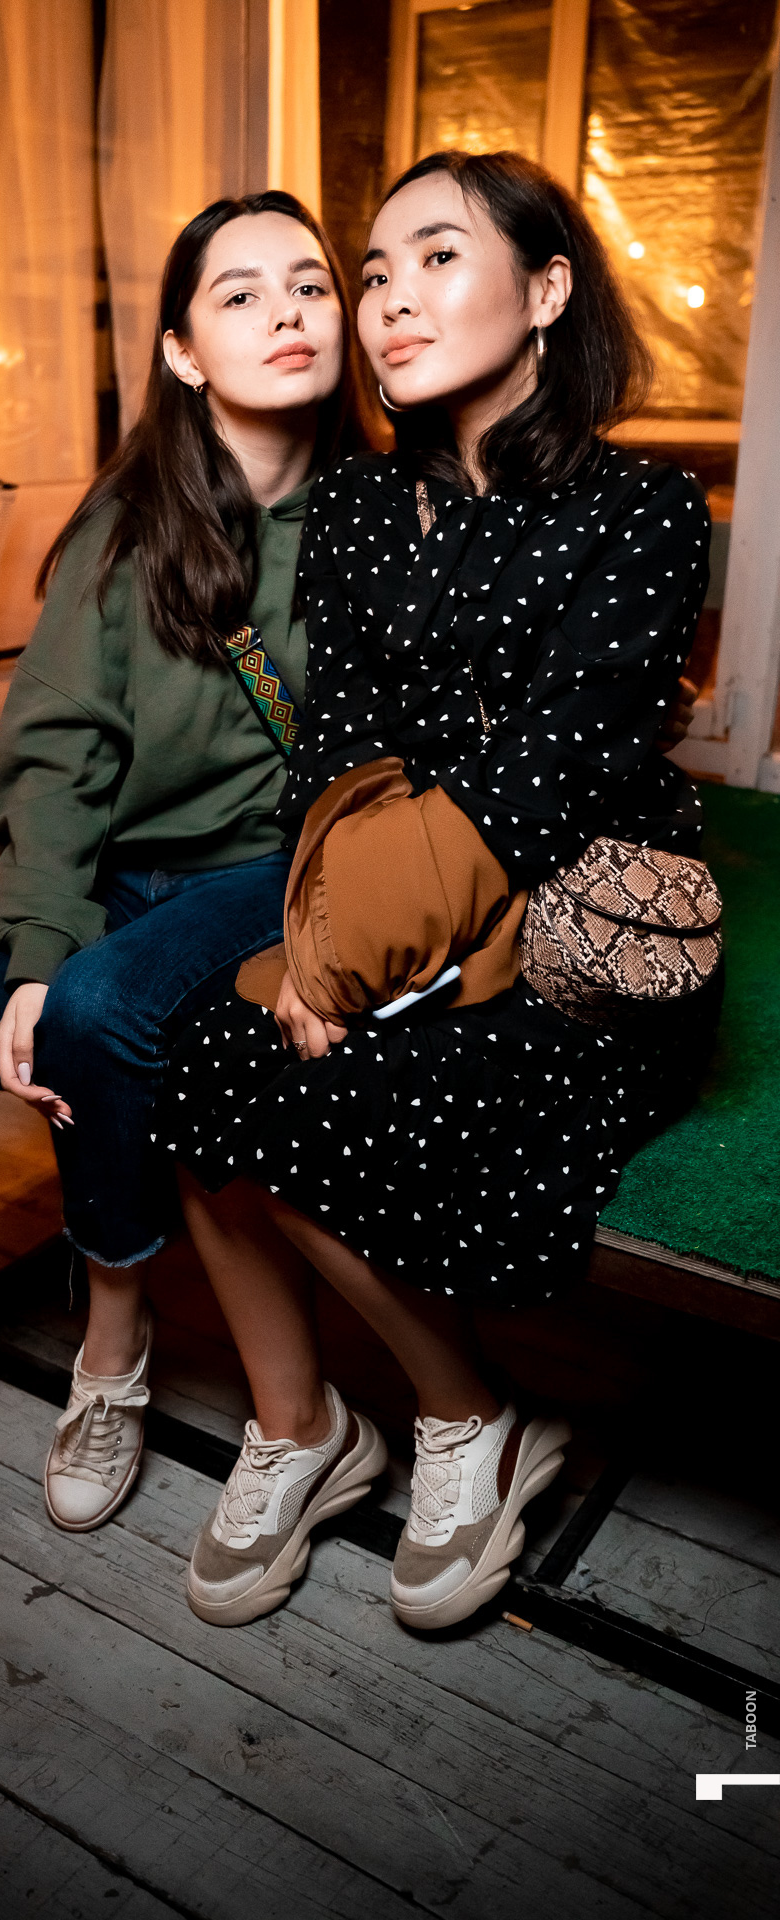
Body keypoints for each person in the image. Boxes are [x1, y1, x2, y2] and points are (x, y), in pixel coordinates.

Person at [158, 150, 721, 1635]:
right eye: (375, 273)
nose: (391, 299)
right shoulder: (357, 503)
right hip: (386, 908)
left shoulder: (645, 509)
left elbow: (547, 783)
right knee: (201, 1053)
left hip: (569, 937)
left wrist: (337, 968)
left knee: (341, 1086)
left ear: (547, 291)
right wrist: (311, 947)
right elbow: (336, 752)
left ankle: (472, 1423)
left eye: (438, 258)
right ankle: (313, 1427)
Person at [0, 191, 357, 1521]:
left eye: (309, 284)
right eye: (240, 294)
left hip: (262, 871)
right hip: (117, 860)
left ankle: (115, 1339)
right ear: (183, 352)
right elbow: (55, 751)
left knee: (95, 1014)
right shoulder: (130, 521)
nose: (287, 312)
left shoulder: (378, 518)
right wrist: (36, 947)